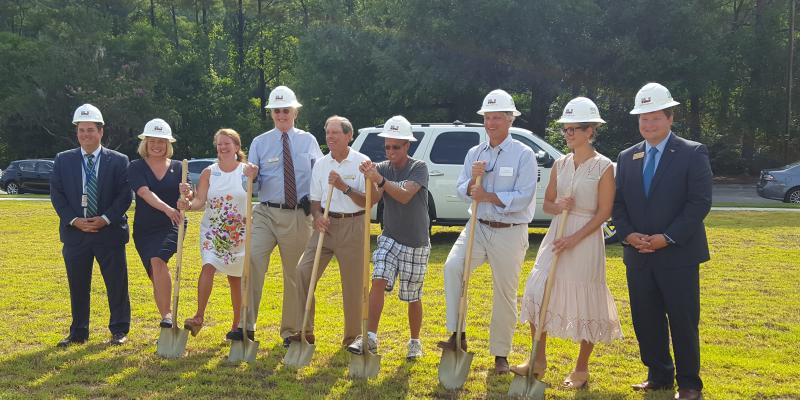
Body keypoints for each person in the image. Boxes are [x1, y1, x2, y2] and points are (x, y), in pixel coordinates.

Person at [510, 97, 623, 388]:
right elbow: (547, 203)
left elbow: (605, 212)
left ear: (591, 131)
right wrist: (558, 205)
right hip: (556, 234)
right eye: (566, 129)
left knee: (586, 299)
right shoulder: (560, 164)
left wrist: (574, 238)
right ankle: (537, 358)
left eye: (576, 128)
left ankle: (581, 369)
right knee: (538, 290)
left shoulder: (605, 167)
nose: (569, 133)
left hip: (584, 239)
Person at [612, 83, 712, 400]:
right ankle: (658, 376)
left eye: (655, 118)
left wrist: (666, 238)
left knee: (682, 320)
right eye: (643, 119)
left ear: (670, 118)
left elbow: (699, 203)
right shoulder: (627, 157)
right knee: (646, 319)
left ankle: (689, 384)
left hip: (677, 255)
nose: (648, 124)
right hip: (638, 255)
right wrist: (628, 234)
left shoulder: (692, 152)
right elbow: (618, 205)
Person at [436, 89, 538, 374]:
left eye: (497, 118)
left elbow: (525, 195)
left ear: (510, 120)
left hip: (510, 230)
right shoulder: (475, 153)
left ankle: (501, 355)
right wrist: (471, 185)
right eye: (487, 118)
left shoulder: (523, 154)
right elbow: (461, 189)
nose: (490, 123)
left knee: (505, 293)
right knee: (452, 267)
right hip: (477, 226)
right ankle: (458, 335)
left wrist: (489, 195)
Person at [245, 86, 323, 345]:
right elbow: (251, 187)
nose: (281, 115)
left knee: (295, 274)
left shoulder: (308, 140)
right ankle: (246, 326)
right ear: (271, 114)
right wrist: (251, 177)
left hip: (297, 216)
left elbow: (320, 175)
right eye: (276, 111)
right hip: (266, 212)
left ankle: (293, 331)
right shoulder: (259, 142)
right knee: (253, 260)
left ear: (295, 112)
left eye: (285, 110)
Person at [50, 104, 133, 346]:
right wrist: (75, 221)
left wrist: (105, 218)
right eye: (81, 130)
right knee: (78, 285)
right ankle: (78, 332)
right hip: (76, 234)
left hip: (109, 232)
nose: (85, 134)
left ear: (101, 131)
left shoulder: (119, 161)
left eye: (90, 130)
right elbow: (57, 194)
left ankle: (119, 330)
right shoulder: (63, 160)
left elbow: (124, 195)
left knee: (117, 284)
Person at [349, 115, 431, 359]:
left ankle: (415, 341)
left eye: (396, 146)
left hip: (416, 241)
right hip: (390, 237)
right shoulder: (382, 168)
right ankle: (370, 336)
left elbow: (405, 195)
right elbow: (372, 200)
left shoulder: (419, 168)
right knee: (378, 278)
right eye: (387, 146)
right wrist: (363, 181)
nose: (391, 151)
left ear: (407, 146)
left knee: (412, 296)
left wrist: (380, 179)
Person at [295, 116, 375, 347]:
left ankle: (352, 337)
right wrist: (317, 217)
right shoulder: (321, 165)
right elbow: (315, 202)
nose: (330, 137)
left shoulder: (362, 162)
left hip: (353, 225)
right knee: (303, 271)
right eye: (327, 132)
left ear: (348, 136)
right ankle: (305, 330)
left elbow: (368, 202)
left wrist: (344, 187)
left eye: (335, 133)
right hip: (326, 227)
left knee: (353, 285)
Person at [179, 129, 258, 339]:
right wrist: (187, 203)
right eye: (219, 144)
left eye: (227, 144)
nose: (223, 147)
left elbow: (256, 188)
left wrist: (254, 175)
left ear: (237, 147)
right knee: (208, 265)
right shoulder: (209, 172)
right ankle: (199, 316)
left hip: (238, 234)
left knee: (235, 279)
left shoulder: (246, 171)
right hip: (213, 230)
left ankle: (236, 326)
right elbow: (199, 201)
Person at [128, 119, 185, 328]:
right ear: (145, 142)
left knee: (158, 259)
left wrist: (187, 195)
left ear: (168, 144)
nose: (156, 145)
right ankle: (166, 314)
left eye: (161, 141)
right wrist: (168, 208)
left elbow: (189, 196)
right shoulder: (135, 167)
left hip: (173, 224)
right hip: (145, 228)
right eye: (152, 141)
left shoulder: (180, 167)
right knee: (154, 270)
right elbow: (144, 192)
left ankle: (167, 316)